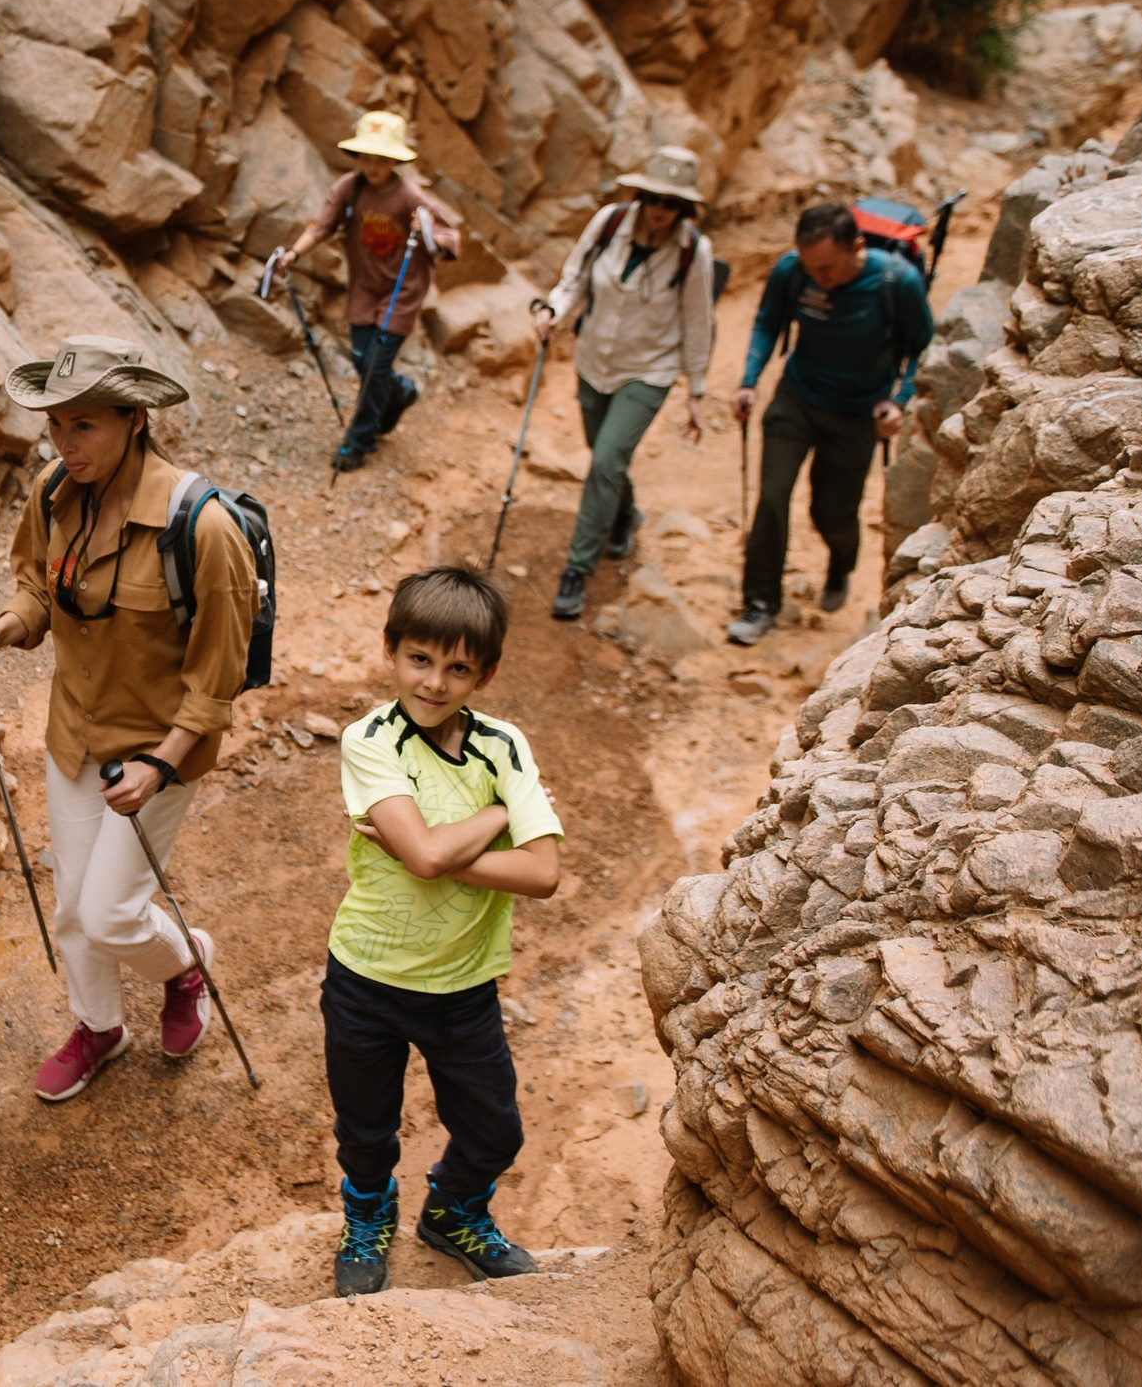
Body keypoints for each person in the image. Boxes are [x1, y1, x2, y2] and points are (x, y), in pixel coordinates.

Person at [0, 336, 256, 1103]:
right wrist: (0, 629)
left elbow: (220, 676)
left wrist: (162, 762)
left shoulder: (205, 527)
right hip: (74, 735)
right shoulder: (55, 491)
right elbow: (34, 589)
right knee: (72, 907)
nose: (64, 443)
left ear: (136, 418)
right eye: (56, 425)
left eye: (83, 425)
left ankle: (187, 966)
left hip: (158, 747)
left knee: (111, 913)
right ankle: (100, 1026)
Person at [326, 567, 562, 1297]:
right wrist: (500, 819)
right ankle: (368, 1217)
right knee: (366, 1129)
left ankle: (453, 1211)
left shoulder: (504, 744)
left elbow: (545, 873)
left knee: (496, 1131)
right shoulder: (370, 738)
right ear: (393, 650)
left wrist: (439, 846)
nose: (434, 681)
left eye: (458, 667)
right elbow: (425, 856)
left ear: (484, 672)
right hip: (366, 974)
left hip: (463, 986)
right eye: (420, 658)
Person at [727, 201, 934, 646]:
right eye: (810, 267)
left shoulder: (898, 282)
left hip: (857, 414)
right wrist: (748, 381)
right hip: (796, 399)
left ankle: (841, 561)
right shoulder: (793, 271)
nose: (819, 277)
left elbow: (921, 348)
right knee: (772, 498)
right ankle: (760, 602)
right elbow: (768, 323)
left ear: (857, 247)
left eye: (828, 268)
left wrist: (899, 401)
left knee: (832, 513)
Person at [530, 147, 715, 621]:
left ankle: (577, 569)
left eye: (672, 203)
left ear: (684, 209)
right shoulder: (610, 223)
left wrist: (696, 391)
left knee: (607, 459)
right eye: (654, 197)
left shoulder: (694, 252)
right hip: (594, 360)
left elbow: (698, 321)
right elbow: (575, 276)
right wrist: (554, 310)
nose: (660, 210)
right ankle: (625, 513)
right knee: (603, 455)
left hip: (648, 371)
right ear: (642, 194)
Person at [271, 109, 462, 473]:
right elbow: (321, 225)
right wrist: (294, 253)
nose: (372, 166)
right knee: (363, 360)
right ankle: (401, 390)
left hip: (402, 292)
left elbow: (448, 238)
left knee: (374, 365)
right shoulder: (350, 187)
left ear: (394, 160)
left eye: (381, 160)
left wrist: (425, 233)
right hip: (363, 289)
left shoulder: (409, 196)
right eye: (366, 158)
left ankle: (359, 442)